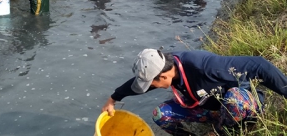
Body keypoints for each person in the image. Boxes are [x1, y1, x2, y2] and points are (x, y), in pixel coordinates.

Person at [101, 49, 287, 136]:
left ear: (163, 75)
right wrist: (113, 98)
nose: (151, 87)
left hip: (243, 107)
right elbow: (139, 83)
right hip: (211, 109)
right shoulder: (166, 68)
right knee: (160, 114)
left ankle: (225, 133)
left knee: (235, 100)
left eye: (153, 83)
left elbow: (260, 65)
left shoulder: (205, 66)